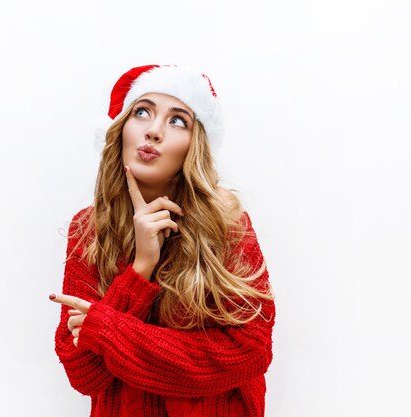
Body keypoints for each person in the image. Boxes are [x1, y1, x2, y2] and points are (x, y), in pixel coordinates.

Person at [48, 64, 275, 417]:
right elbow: (83, 372)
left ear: (193, 145)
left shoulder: (226, 219)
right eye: (142, 112)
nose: (154, 131)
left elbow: (249, 352)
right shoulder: (89, 230)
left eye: (177, 120)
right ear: (120, 129)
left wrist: (107, 329)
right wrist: (141, 268)